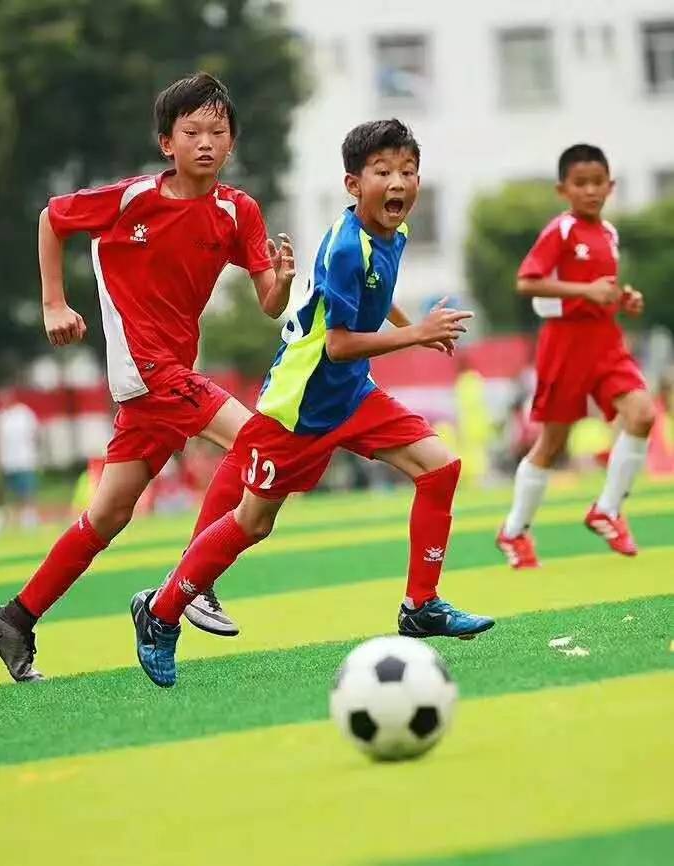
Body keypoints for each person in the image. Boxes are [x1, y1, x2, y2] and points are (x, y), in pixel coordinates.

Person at [129, 119, 496, 687]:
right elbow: (340, 342)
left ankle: (421, 605)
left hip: (351, 395)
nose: (398, 182)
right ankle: (161, 613)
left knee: (440, 468)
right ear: (353, 185)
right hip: (297, 411)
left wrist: (406, 322)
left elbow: (376, 295)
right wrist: (418, 333)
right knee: (253, 522)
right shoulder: (346, 246)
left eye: (407, 171)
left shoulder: (389, 232)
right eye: (383, 172)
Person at [0, 72, 295, 682]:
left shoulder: (238, 212)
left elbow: (269, 304)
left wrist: (278, 282)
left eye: (218, 132)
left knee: (107, 515)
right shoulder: (132, 200)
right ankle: (190, 584)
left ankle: (15, 618)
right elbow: (52, 218)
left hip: (165, 382)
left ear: (232, 144)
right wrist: (52, 303)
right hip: (150, 371)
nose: (206, 141)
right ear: (165, 143)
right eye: (192, 131)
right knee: (259, 440)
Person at [496, 144, 652, 568]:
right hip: (564, 347)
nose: (590, 191)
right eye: (580, 184)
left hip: (606, 343)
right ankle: (513, 532)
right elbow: (527, 282)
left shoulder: (609, 234)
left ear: (611, 186)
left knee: (642, 414)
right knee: (552, 444)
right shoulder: (560, 230)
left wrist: (623, 299)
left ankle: (608, 509)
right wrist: (588, 293)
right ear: (563, 189)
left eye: (598, 182)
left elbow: (599, 289)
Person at [0, 390, 41, 526]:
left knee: (27, 490)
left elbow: (35, 434)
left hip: (24, 459)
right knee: (11, 492)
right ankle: (13, 518)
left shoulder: (24, 413)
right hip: (8, 461)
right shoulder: (1, 416)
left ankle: (29, 516)